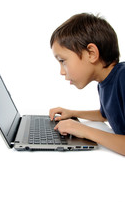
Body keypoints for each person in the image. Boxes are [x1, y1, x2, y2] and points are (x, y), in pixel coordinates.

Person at [49, 13, 125, 156]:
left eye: (63, 61)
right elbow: (106, 115)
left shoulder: (123, 77)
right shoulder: (104, 83)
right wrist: (72, 113)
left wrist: (83, 130)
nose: (61, 71)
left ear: (91, 53)